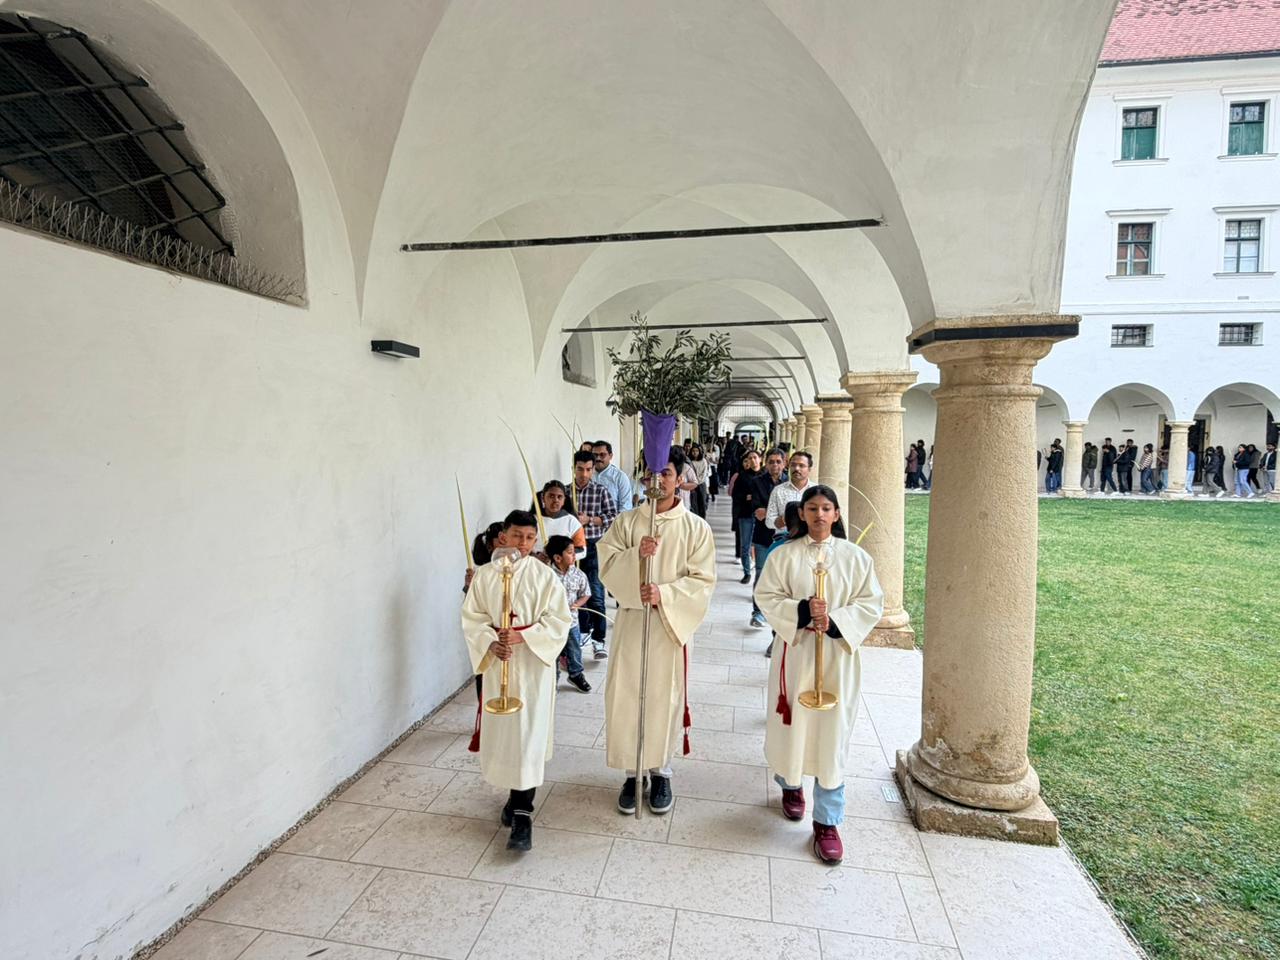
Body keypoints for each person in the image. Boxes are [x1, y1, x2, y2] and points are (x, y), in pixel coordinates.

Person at [754, 485, 884, 865]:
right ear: (802, 513)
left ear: (837, 514)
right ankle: (790, 784)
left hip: (836, 661)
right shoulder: (783, 556)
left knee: (831, 737)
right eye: (812, 508)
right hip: (796, 656)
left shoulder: (856, 558)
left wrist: (836, 622)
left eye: (827, 508)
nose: (819, 515)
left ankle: (827, 821)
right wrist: (801, 612)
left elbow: (871, 602)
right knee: (793, 728)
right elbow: (767, 596)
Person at [598, 448, 716, 815]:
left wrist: (663, 594)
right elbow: (606, 564)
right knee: (627, 693)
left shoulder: (695, 528)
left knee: (665, 696)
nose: (658, 479)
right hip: (633, 622)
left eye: (666, 473)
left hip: (670, 626)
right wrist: (636, 554)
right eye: (651, 473)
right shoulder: (627, 522)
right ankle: (633, 774)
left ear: (679, 479)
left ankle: (661, 771)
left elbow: (703, 581)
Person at [460, 510, 573, 852]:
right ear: (503, 537)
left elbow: (560, 620)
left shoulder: (544, 576)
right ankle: (514, 798)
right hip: (499, 664)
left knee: (528, 735)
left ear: (535, 539)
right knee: (507, 735)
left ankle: (523, 812)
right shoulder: (485, 576)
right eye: (516, 536)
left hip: (533, 666)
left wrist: (525, 636)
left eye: (529, 538)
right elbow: (472, 617)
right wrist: (489, 641)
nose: (523, 544)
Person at [571, 450, 619, 659]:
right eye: (580, 469)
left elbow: (612, 517)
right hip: (571, 549)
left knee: (596, 594)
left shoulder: (600, 491)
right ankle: (582, 634)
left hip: (594, 546)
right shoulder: (566, 492)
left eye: (588, 470)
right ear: (574, 468)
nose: (584, 474)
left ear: (592, 470)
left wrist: (589, 520)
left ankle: (599, 641)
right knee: (575, 594)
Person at [544, 534, 591, 693]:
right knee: (553, 652)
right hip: (552, 624)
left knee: (574, 649)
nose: (574, 555)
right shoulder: (546, 575)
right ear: (557, 558)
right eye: (570, 552)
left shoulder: (578, 574)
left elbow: (586, 594)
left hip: (572, 622)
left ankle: (576, 674)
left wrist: (577, 604)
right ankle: (552, 680)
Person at [747, 448, 787, 628]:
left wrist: (772, 513)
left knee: (783, 577)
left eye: (778, 462)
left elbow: (793, 511)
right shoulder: (757, 482)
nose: (775, 465)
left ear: (784, 463)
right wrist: (782, 514)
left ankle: (779, 612)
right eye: (771, 462)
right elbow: (758, 511)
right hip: (763, 536)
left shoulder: (790, 483)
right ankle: (758, 612)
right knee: (761, 573)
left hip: (786, 538)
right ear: (766, 463)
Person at [731, 450, 764, 585]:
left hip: (762, 515)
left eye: (755, 457)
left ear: (760, 459)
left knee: (760, 545)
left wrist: (755, 497)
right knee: (745, 545)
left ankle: (760, 572)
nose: (753, 460)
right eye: (750, 458)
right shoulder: (743, 476)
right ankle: (747, 572)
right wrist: (746, 497)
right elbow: (736, 495)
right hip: (746, 514)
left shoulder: (765, 475)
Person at [767, 450, 815, 535]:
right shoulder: (778, 490)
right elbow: (769, 521)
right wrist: (784, 519)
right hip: (785, 539)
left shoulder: (817, 491)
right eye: (793, 465)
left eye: (801, 465)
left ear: (809, 469)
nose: (796, 468)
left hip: (810, 539)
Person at [536, 480, 585, 559]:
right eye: (551, 496)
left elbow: (582, 550)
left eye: (559, 497)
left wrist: (560, 557)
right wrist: (535, 556)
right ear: (543, 498)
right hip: (536, 565)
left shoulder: (572, 522)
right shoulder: (533, 520)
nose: (556, 500)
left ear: (564, 500)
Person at [591, 441, 635, 514]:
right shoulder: (587, 475)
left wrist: (611, 520)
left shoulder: (620, 477)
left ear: (610, 456)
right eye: (595, 455)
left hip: (613, 520)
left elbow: (626, 507)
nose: (598, 458)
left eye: (602, 455)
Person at [688, 443, 710, 518]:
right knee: (693, 503)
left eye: (696, 451)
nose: (695, 453)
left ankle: (702, 518)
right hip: (691, 485)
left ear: (699, 452)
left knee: (702, 502)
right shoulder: (689, 461)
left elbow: (704, 474)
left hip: (701, 484)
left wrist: (696, 482)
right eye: (693, 451)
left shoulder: (703, 461)